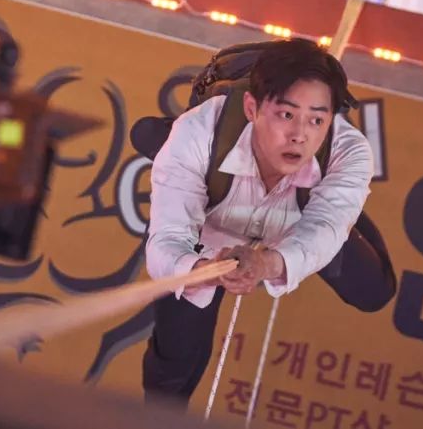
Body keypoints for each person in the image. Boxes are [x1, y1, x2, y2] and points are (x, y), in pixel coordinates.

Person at [142, 39, 373, 405]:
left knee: (373, 289)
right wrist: (204, 271)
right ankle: (166, 150)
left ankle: (342, 204)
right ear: (252, 107)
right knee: (175, 360)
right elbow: (166, 240)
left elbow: (323, 232)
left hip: (298, 219)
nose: (300, 134)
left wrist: (266, 264)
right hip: (208, 229)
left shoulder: (349, 152)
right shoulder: (200, 130)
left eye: (317, 119)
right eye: (286, 115)